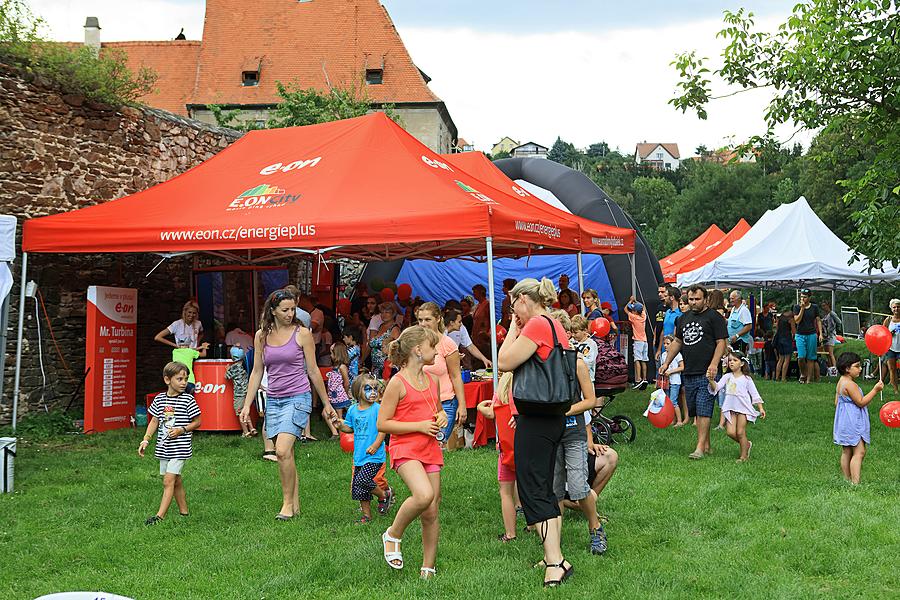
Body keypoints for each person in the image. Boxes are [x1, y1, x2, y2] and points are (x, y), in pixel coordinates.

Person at [497, 277, 574, 588]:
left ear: (523, 300)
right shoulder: (555, 324)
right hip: (551, 416)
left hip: (537, 419)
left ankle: (556, 561)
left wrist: (514, 329)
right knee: (543, 486)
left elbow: (504, 361)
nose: (513, 310)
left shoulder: (536, 325)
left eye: (513, 303)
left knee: (533, 490)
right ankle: (552, 554)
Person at [239, 289, 338, 520]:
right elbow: (256, 371)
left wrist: (326, 404)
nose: (290, 313)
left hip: (298, 397)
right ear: (272, 311)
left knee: (281, 450)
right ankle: (295, 505)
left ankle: (285, 505)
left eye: (293, 309)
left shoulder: (302, 333)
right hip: (274, 399)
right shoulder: (261, 335)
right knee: (288, 454)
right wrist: (246, 405)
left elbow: (313, 370)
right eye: (285, 309)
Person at [378, 326, 446, 578]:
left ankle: (428, 567)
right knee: (423, 495)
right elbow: (383, 423)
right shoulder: (397, 383)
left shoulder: (433, 380)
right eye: (433, 347)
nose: (437, 352)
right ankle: (393, 534)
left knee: (431, 510)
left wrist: (441, 417)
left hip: (429, 448)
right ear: (418, 350)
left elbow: (437, 410)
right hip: (405, 448)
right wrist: (418, 426)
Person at [553, 313, 607, 555]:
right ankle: (554, 543)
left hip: (573, 431)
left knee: (578, 486)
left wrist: (563, 411)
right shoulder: (543, 364)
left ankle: (595, 527)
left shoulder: (577, 363)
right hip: (550, 434)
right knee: (554, 490)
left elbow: (590, 400)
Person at [659, 284, 727, 460]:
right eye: (691, 299)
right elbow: (677, 342)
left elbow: (721, 343)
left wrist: (714, 364)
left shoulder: (714, 317)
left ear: (705, 299)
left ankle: (699, 448)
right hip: (689, 371)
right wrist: (666, 362)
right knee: (696, 409)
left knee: (704, 409)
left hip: (707, 372)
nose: (694, 302)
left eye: (697, 299)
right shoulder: (683, 319)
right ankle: (708, 445)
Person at [139, 361, 202, 525]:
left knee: (168, 481)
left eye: (186, 379)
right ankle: (184, 512)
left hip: (180, 448)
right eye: (179, 379)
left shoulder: (188, 400)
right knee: (177, 480)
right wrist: (146, 439)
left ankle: (159, 517)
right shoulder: (160, 399)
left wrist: (182, 429)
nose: (184, 383)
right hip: (163, 447)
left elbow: (198, 422)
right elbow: (154, 421)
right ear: (167, 380)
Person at [331, 374, 389, 523]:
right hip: (359, 456)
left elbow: (383, 429)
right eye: (368, 388)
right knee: (359, 488)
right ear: (357, 392)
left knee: (363, 480)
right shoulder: (352, 410)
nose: (373, 392)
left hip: (375, 455)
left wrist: (376, 445)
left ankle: (383, 495)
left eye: (376, 388)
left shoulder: (378, 409)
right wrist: (340, 425)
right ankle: (366, 516)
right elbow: (350, 428)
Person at [476, 371, 519, 543]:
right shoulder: (527, 387)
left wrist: (480, 407)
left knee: (506, 492)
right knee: (529, 488)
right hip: (528, 447)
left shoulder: (501, 392)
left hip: (507, 450)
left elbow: (491, 413)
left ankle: (510, 533)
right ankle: (533, 526)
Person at [417, 302, 467, 447]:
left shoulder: (447, 343)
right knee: (421, 446)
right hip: (420, 402)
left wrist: (462, 405)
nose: (423, 324)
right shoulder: (415, 343)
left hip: (445, 403)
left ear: (438, 319)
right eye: (420, 320)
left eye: (427, 319)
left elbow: (456, 376)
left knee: (438, 446)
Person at [834, 352, 883, 484]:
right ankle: (855, 483)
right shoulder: (850, 384)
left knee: (846, 451)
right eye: (857, 366)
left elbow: (836, 402)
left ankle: (847, 479)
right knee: (859, 451)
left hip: (844, 421)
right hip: (853, 421)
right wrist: (875, 390)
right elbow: (861, 402)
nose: (860, 369)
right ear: (847, 368)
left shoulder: (841, 382)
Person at [708, 350, 766, 462]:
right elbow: (716, 387)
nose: (731, 362)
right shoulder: (727, 376)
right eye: (730, 360)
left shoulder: (747, 379)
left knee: (740, 432)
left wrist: (760, 408)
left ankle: (743, 456)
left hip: (743, 408)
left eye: (735, 360)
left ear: (742, 363)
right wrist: (711, 380)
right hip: (730, 408)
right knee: (730, 432)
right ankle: (747, 444)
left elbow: (755, 394)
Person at [793, 289, 823, 384]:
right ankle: (803, 374)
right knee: (801, 357)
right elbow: (797, 321)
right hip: (800, 334)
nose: (803, 299)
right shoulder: (797, 307)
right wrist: (802, 309)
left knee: (811, 358)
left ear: (809, 298)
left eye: (805, 297)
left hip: (811, 334)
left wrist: (820, 334)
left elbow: (818, 320)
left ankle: (809, 380)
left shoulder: (814, 307)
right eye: (801, 297)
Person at [324, 342, 352, 438]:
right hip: (333, 396)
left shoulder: (342, 367)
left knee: (339, 416)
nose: (330, 355)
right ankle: (335, 433)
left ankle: (342, 435)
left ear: (337, 354)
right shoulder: (334, 367)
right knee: (325, 412)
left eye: (332, 353)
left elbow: (346, 382)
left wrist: (344, 392)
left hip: (340, 396)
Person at [225, 346, 254, 437]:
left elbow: (227, 377)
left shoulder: (233, 367)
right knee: (245, 410)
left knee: (240, 412)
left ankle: (246, 432)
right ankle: (252, 428)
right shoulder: (245, 365)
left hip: (239, 394)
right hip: (247, 392)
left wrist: (227, 369)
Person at [369, 302, 401, 379]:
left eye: (387, 312)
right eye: (382, 312)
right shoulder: (381, 326)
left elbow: (396, 351)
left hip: (387, 369)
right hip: (375, 369)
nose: (384, 314)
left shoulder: (395, 329)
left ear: (393, 314)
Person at [624, 296, 648, 390]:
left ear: (635, 312)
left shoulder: (634, 317)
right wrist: (636, 302)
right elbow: (643, 308)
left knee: (637, 360)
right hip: (645, 341)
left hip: (638, 341)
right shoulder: (643, 316)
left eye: (633, 310)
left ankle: (638, 379)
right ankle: (645, 378)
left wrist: (630, 301)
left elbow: (625, 309)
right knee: (644, 360)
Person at [661, 336, 686, 427]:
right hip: (667, 382)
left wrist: (671, 372)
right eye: (664, 344)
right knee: (668, 401)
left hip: (675, 381)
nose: (665, 345)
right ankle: (672, 419)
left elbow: (682, 367)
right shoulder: (663, 355)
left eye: (668, 343)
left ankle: (679, 421)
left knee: (673, 401)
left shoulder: (678, 354)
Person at [656, 286, 683, 363]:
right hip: (664, 350)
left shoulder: (680, 314)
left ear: (672, 298)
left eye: (666, 296)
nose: (664, 298)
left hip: (675, 352)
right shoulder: (667, 312)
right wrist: (659, 349)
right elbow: (663, 331)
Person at [881, 299, 900, 394]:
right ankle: (896, 390)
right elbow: (882, 333)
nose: (896, 309)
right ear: (891, 309)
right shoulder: (888, 320)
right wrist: (889, 334)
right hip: (891, 348)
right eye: (894, 307)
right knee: (892, 369)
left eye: (898, 306)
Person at [774, 307, 796, 382]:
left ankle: (777, 377)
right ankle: (783, 378)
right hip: (787, 339)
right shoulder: (791, 319)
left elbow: (777, 328)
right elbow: (794, 331)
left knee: (780, 359)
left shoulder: (780, 318)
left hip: (779, 339)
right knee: (787, 359)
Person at [471, 284, 492, 358]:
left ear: (481, 292)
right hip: (476, 338)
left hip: (483, 338)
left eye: (475, 292)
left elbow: (491, 320)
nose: (473, 294)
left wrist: (487, 334)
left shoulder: (487, 304)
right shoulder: (478, 305)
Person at [820, 300, 842, 370]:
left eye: (824, 305)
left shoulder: (832, 313)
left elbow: (839, 322)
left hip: (831, 336)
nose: (823, 307)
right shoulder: (825, 315)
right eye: (822, 306)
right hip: (825, 336)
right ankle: (830, 368)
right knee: (827, 354)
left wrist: (835, 328)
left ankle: (834, 369)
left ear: (828, 305)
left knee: (830, 353)